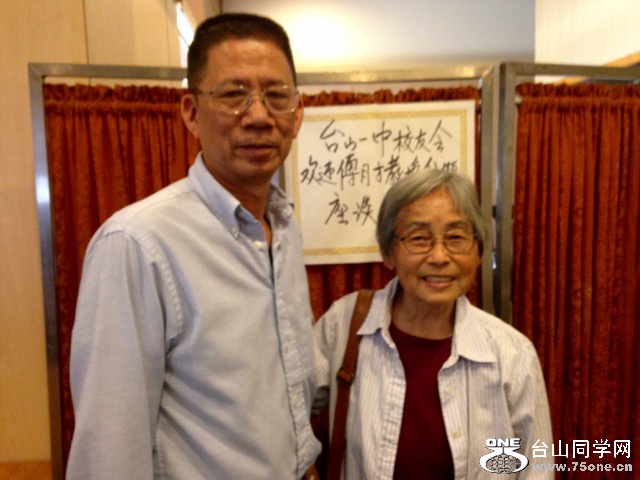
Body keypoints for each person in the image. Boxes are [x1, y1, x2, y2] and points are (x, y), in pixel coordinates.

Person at [66, 13, 320, 480]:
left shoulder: (284, 228)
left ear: (297, 113)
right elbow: (110, 449)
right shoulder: (138, 244)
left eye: (277, 95)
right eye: (233, 95)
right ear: (190, 112)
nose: (259, 116)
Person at [313, 169, 553, 479]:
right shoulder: (344, 324)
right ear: (388, 252)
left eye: (456, 238)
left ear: (478, 252)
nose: (439, 256)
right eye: (418, 238)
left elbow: (534, 468)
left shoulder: (512, 354)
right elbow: (283, 413)